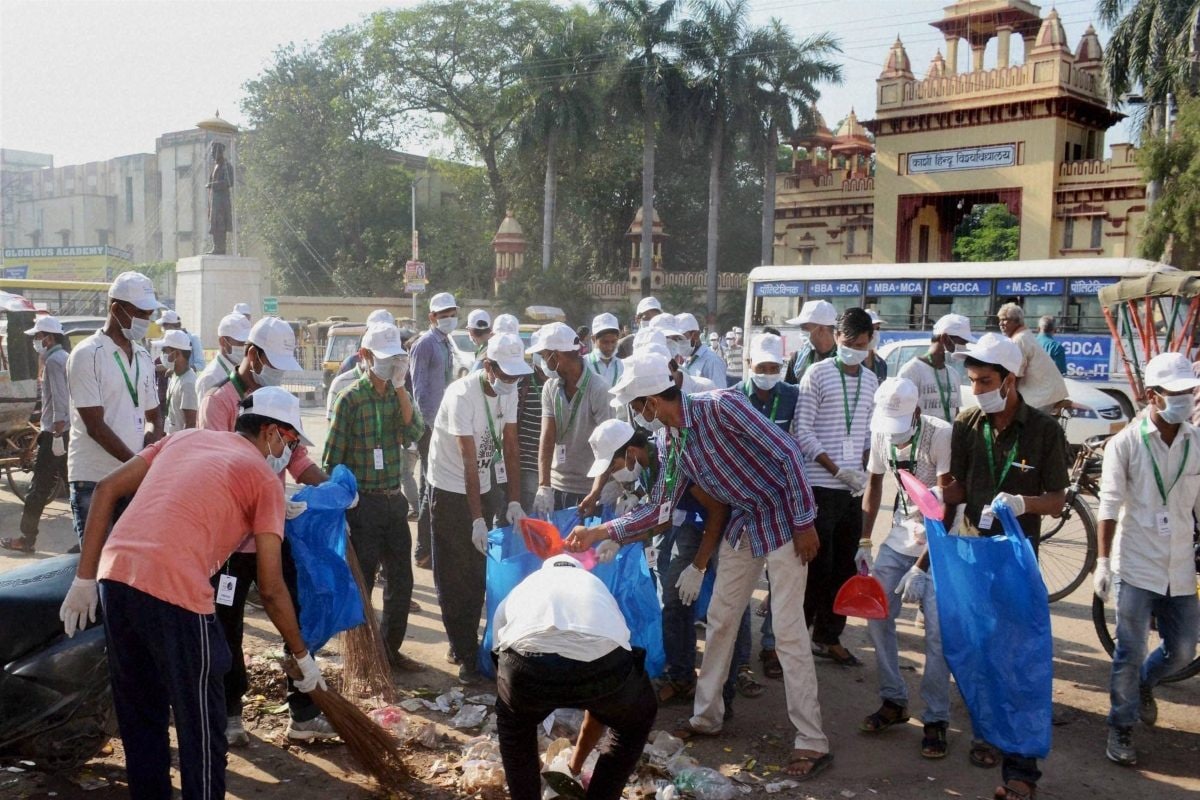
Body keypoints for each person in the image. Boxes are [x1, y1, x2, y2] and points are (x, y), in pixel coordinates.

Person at [567, 354, 831, 780]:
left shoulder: (721, 406)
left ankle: (812, 740)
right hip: (746, 521)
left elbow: (787, 453)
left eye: (638, 406)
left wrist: (804, 522)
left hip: (783, 516)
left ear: (651, 401)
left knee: (786, 631)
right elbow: (659, 509)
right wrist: (604, 533)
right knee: (721, 618)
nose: (639, 415)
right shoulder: (672, 443)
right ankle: (707, 716)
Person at [58, 386, 326, 800]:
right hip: (176, 591)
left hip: (117, 580)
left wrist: (84, 579)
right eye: (290, 443)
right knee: (201, 728)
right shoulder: (263, 480)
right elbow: (271, 589)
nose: (289, 454)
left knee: (142, 719)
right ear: (273, 432)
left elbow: (108, 488)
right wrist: (302, 656)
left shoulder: (186, 437)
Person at [941, 332, 1068, 800]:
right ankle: (985, 735)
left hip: (1018, 561)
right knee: (976, 655)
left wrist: (1023, 502)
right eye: (972, 381)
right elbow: (957, 489)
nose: (978, 390)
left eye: (986, 381)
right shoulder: (967, 422)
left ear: (1012, 381)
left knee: (1016, 660)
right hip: (974, 557)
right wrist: (933, 499)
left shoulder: (1044, 431)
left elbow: (1056, 501)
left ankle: (1020, 774)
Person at [199, 316, 332, 745]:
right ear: (251, 355)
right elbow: (219, 468)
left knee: (294, 617)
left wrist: (332, 488)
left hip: (273, 532)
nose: (276, 372)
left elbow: (299, 461)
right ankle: (230, 712)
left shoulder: (278, 401)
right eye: (271, 363)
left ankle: (304, 712)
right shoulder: (219, 403)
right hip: (232, 542)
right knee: (226, 625)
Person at [1095, 352, 1200, 767]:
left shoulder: (1196, 441)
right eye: (1175, 393)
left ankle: (1143, 685)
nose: (1185, 399)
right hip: (1136, 563)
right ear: (1153, 396)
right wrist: (1102, 563)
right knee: (1130, 649)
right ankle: (1120, 725)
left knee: (1182, 651)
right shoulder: (1125, 444)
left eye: (1189, 391)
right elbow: (1108, 505)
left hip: (1179, 566)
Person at [492, 554, 656, 800]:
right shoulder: (597, 589)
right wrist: (574, 768)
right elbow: (601, 706)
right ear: (580, 570)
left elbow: (500, 660)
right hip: (603, 669)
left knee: (514, 725)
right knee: (635, 719)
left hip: (527, 666)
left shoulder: (523, 588)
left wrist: (547, 763)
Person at [858, 378, 953, 758]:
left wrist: (922, 566)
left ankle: (936, 717)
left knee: (937, 632)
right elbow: (874, 486)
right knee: (877, 613)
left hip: (939, 542)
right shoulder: (882, 433)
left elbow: (948, 506)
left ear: (916, 412)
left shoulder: (941, 434)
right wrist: (864, 542)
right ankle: (894, 699)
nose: (895, 437)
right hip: (900, 535)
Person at [428, 332, 530, 682]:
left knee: (477, 572)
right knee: (455, 574)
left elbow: (511, 443)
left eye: (516, 376)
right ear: (487, 367)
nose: (511, 382)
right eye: (505, 375)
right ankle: (464, 654)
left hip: (482, 485)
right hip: (449, 487)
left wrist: (514, 498)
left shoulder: (510, 388)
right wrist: (476, 520)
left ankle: (467, 643)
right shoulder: (461, 395)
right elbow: (468, 461)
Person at [323, 322, 425, 672]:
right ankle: (362, 656)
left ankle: (389, 650)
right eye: (383, 359)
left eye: (394, 359)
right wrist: (343, 507)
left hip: (394, 500)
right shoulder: (350, 399)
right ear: (365, 357)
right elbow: (331, 459)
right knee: (362, 581)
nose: (389, 365)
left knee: (401, 580)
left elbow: (414, 430)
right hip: (363, 503)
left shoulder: (399, 397)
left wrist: (399, 388)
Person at [792, 307, 879, 666]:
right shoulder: (817, 373)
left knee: (845, 566)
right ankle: (796, 640)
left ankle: (830, 636)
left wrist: (860, 467)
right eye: (849, 343)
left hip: (851, 489)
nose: (855, 349)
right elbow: (802, 430)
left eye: (862, 344)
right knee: (815, 568)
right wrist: (835, 468)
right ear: (836, 337)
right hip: (820, 484)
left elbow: (868, 433)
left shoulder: (872, 381)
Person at [67, 271, 163, 544]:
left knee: (125, 565)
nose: (145, 320)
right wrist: (138, 464)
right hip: (94, 479)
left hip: (131, 479)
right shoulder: (87, 354)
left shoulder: (143, 356)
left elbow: (154, 414)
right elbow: (95, 426)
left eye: (148, 314)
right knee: (95, 567)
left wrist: (151, 441)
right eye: (140, 313)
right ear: (116, 309)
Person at [733, 333, 799, 680]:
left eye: (775, 368)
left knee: (778, 581)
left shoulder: (791, 397)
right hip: (740, 504)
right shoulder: (732, 398)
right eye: (762, 368)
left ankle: (771, 646)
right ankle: (741, 655)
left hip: (780, 502)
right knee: (741, 583)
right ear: (748, 366)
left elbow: (797, 447)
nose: (768, 374)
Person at [530, 322, 614, 517]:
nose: (543, 362)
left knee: (586, 547)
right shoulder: (550, 387)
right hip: (559, 485)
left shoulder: (598, 388)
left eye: (544, 356)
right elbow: (547, 437)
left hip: (589, 489)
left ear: (556, 355)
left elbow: (607, 447)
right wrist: (544, 485)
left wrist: (597, 491)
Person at [2, 316, 70, 553]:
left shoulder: (53, 361)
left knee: (39, 487)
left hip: (56, 433)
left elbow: (61, 400)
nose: (36, 341)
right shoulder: (63, 358)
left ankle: (26, 538)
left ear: (49, 338)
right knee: (74, 485)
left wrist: (57, 431)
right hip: (63, 431)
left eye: (38, 337)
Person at [410, 292, 460, 569]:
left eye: (452, 314)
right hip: (430, 426)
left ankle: (425, 548)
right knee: (432, 487)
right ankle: (424, 549)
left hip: (442, 424)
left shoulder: (445, 343)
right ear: (432, 317)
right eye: (444, 315)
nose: (449, 319)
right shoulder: (425, 344)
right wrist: (428, 427)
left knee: (427, 486)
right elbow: (419, 390)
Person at [898, 313, 974, 424]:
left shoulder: (953, 374)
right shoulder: (911, 371)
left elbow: (956, 412)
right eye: (962, 343)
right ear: (945, 339)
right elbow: (902, 414)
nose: (963, 349)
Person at [996, 303, 1068, 415]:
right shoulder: (1024, 335)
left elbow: (1015, 374)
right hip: (1050, 392)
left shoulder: (1019, 340)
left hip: (1041, 396)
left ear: (1016, 321)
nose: (1001, 324)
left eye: (1005, 320)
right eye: (999, 320)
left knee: (1024, 426)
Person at [197, 312, 252, 399]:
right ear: (223, 342)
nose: (245, 348)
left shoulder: (243, 370)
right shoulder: (210, 378)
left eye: (247, 343)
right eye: (241, 343)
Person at [784, 300, 837, 385]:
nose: (802, 332)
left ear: (821, 329)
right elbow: (788, 394)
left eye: (805, 328)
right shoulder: (798, 358)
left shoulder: (843, 358)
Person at [156, 329, 199, 433]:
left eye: (164, 351)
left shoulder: (188, 384)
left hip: (180, 443)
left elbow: (190, 424)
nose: (162, 355)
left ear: (177, 354)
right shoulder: (175, 375)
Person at [677, 312, 726, 386]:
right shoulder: (688, 360)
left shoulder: (712, 361)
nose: (677, 343)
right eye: (675, 339)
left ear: (695, 336)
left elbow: (720, 395)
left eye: (680, 338)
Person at [206, 141, 233, 255]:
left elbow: (229, 182)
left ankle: (221, 248)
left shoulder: (226, 166)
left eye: (214, 152)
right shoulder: (215, 166)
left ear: (219, 152)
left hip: (222, 200)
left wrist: (213, 185)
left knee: (220, 223)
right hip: (214, 200)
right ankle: (216, 246)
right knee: (214, 224)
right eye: (212, 152)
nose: (212, 155)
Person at [587, 313, 623, 384]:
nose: (610, 347)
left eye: (613, 341)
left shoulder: (622, 366)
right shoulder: (584, 365)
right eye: (605, 342)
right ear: (594, 339)